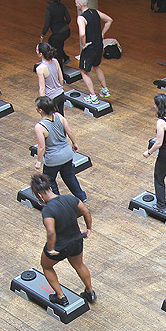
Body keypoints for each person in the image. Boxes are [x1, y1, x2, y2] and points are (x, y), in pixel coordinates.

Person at [30, 173, 96, 305]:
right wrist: (88, 229)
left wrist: (51, 249)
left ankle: (60, 297)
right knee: (79, 265)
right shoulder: (70, 199)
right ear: (51, 188)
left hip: (60, 245)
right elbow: (86, 212)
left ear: (39, 195)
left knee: (46, 267)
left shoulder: (48, 210)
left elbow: (50, 232)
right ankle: (90, 292)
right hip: (77, 240)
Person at [34, 96, 86, 202]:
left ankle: (57, 202)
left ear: (40, 110)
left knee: (50, 180)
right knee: (69, 176)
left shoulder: (40, 127)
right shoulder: (59, 116)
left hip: (53, 159)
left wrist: (38, 162)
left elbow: (41, 147)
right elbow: (69, 131)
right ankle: (81, 196)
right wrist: (74, 143)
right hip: (67, 154)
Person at [75, 0, 112, 105]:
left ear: (80, 4)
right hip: (99, 45)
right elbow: (109, 20)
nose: (75, 5)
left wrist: (83, 44)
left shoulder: (81, 18)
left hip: (90, 47)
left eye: (76, 3)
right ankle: (105, 89)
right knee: (96, 66)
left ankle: (93, 96)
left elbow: (82, 33)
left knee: (83, 70)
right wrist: (102, 33)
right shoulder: (95, 12)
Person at [42, 0, 71, 68]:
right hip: (67, 31)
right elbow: (68, 19)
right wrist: (63, 25)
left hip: (58, 34)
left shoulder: (48, 9)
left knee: (57, 52)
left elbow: (47, 24)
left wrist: (42, 35)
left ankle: (61, 73)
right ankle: (66, 57)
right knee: (52, 41)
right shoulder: (62, 6)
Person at [36, 43, 65, 116]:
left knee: (51, 120)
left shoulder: (40, 68)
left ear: (40, 54)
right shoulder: (55, 61)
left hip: (51, 98)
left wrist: (41, 103)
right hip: (61, 94)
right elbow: (61, 79)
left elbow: (42, 88)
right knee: (61, 117)